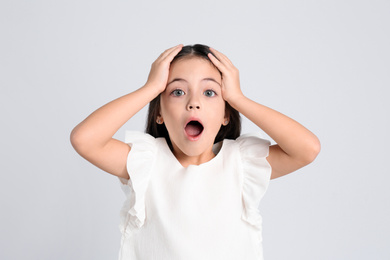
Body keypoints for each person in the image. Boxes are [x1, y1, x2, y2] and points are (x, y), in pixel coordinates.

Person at [70, 44, 320, 260]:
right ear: (159, 112)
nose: (193, 102)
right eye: (177, 91)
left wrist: (238, 98)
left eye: (210, 92)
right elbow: (85, 140)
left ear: (225, 114)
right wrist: (150, 88)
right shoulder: (146, 163)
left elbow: (307, 149)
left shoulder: (240, 164)